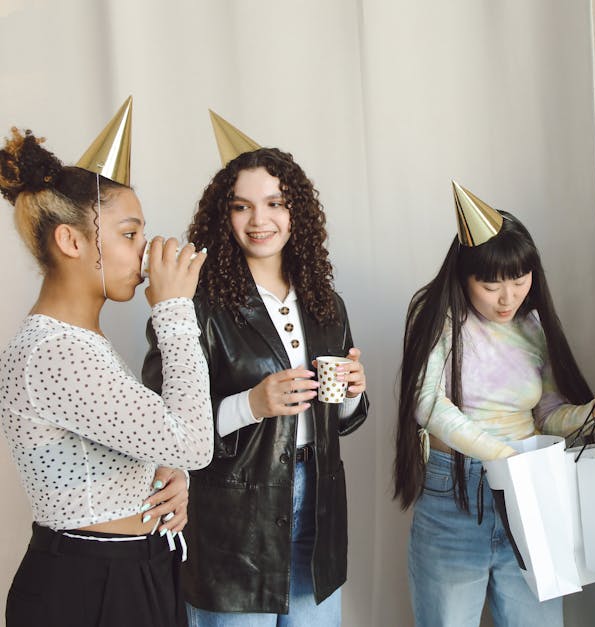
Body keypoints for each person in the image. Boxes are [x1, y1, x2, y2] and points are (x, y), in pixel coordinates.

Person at [143, 111, 369, 626]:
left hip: (319, 504)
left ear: (298, 214)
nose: (259, 220)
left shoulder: (325, 303)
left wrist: (353, 391)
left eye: (274, 204)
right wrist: (252, 404)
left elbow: (345, 419)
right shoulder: (196, 303)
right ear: (224, 217)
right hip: (232, 519)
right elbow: (159, 424)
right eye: (242, 207)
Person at [0, 100, 213, 627]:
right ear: (71, 240)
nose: (145, 253)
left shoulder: (81, 342)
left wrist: (164, 477)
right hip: (89, 586)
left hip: (131, 572)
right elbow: (194, 441)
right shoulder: (54, 351)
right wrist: (175, 311)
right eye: (129, 233)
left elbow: (165, 442)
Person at [393, 181, 595, 627]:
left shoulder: (532, 325)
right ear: (464, 277)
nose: (508, 296)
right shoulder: (438, 317)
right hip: (456, 493)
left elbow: (547, 414)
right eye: (491, 284)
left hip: (531, 492)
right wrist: (504, 457)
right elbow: (426, 404)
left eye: (518, 280)